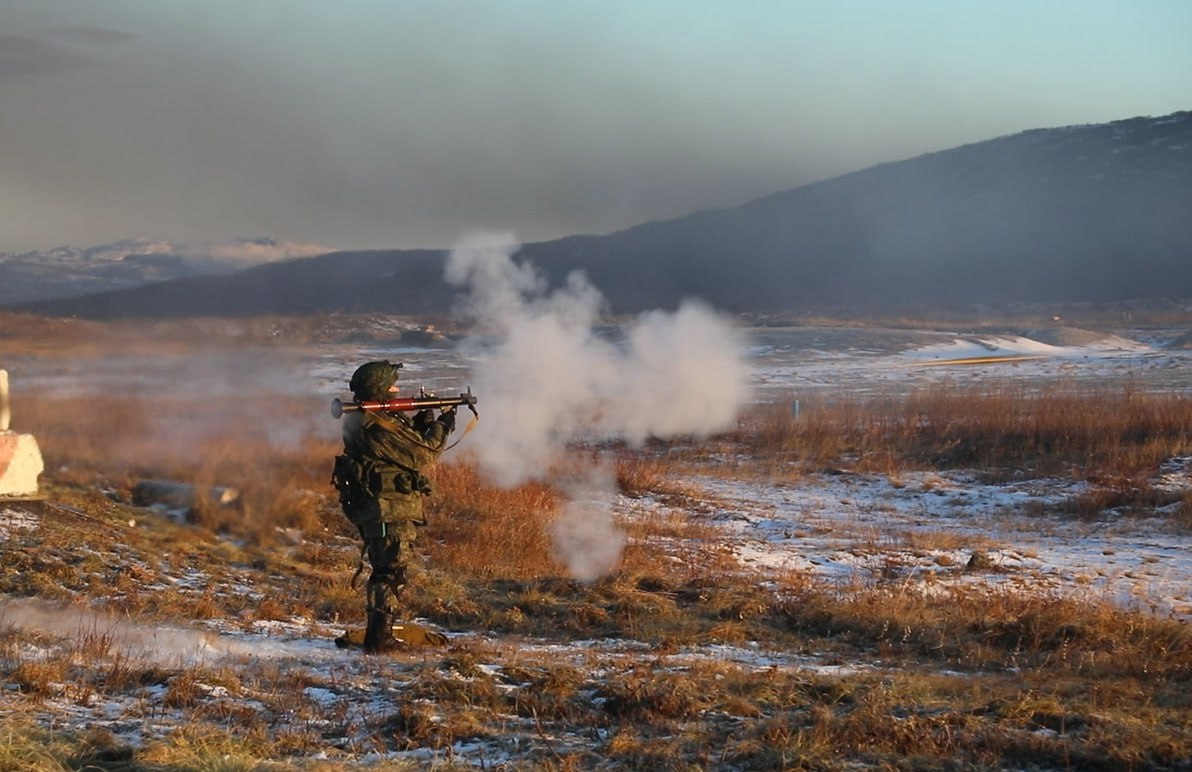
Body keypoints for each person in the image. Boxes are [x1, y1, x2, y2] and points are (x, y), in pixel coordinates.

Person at [331, 360, 456, 653]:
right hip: (386, 507)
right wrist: (442, 425)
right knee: (390, 570)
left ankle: (380, 634)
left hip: (383, 506)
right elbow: (421, 455)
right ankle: (380, 639)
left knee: (388, 568)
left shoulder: (369, 419)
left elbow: (401, 446)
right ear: (379, 390)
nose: (396, 389)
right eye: (391, 386)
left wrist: (422, 422)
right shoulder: (374, 425)